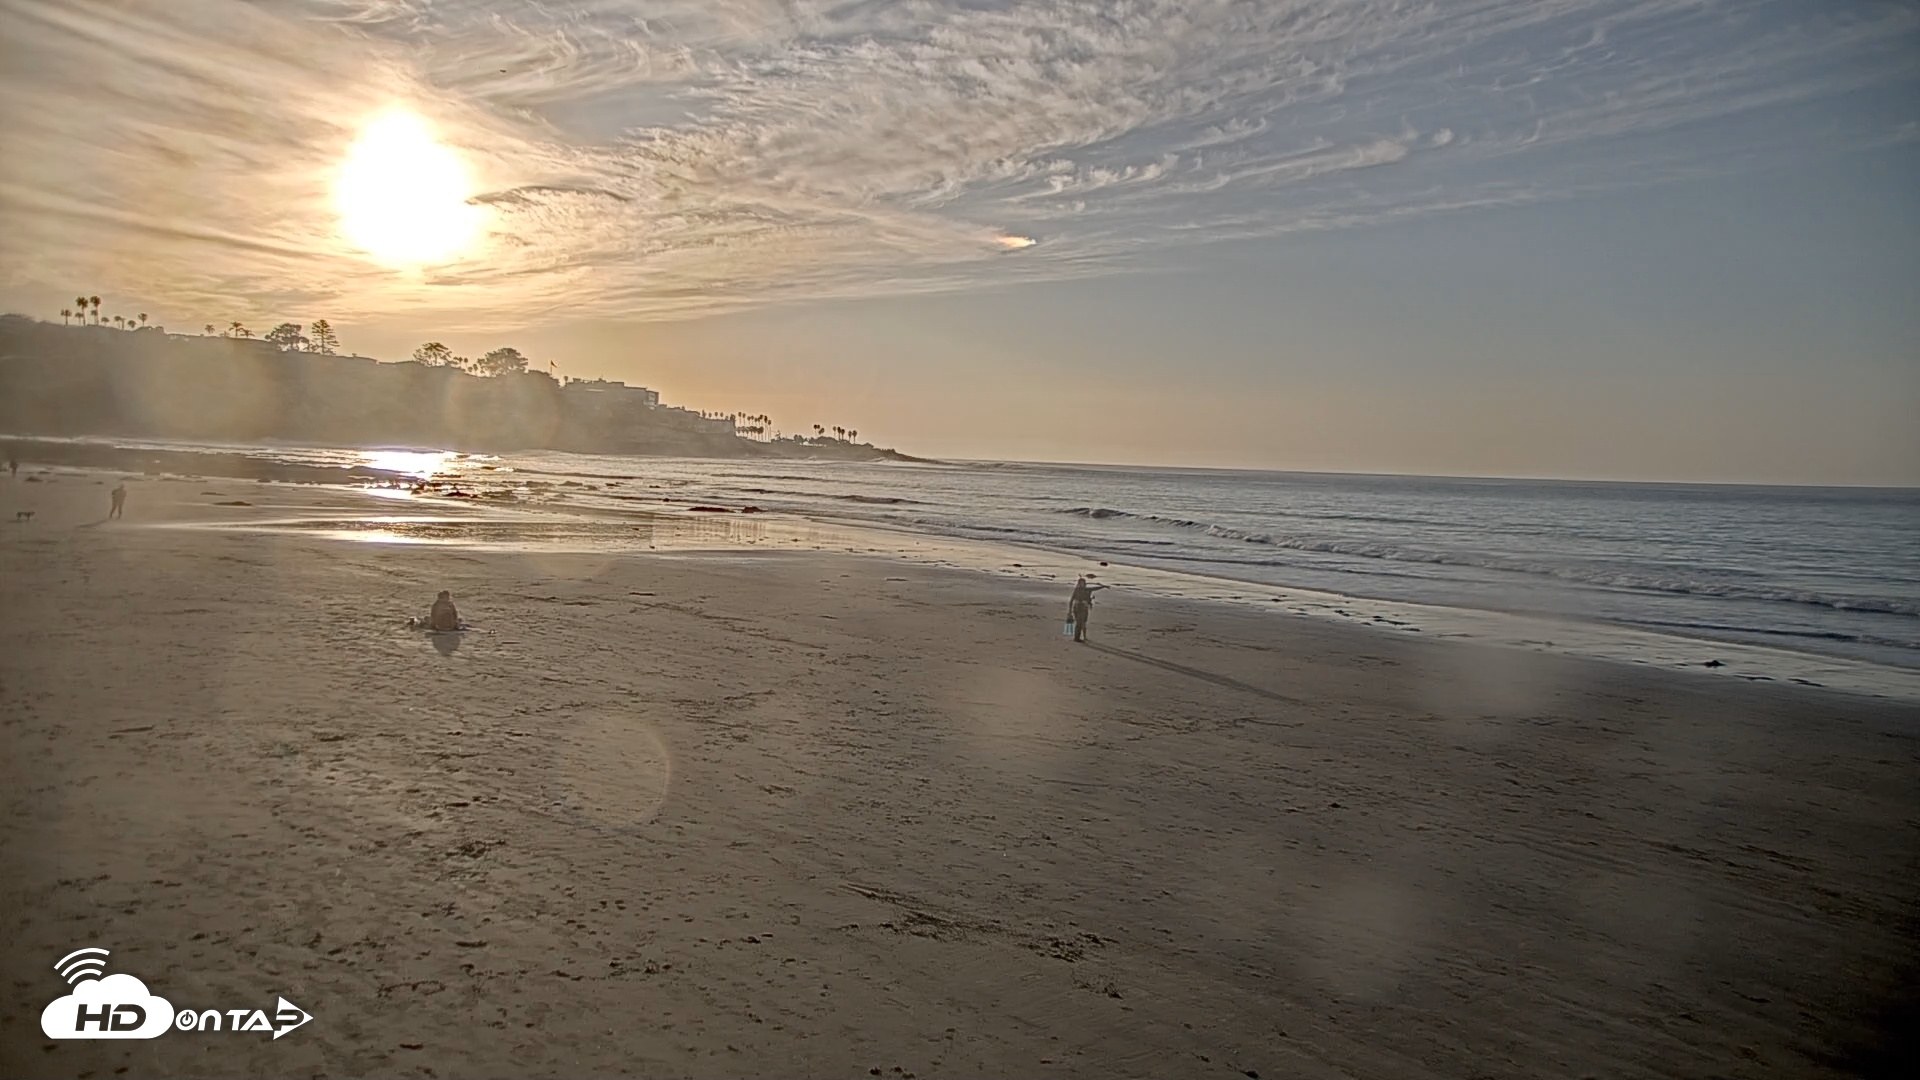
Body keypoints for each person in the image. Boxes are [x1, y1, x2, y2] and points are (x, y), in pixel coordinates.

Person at [1066, 575, 1108, 643]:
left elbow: (1095, 588)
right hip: (1077, 608)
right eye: (1081, 583)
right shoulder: (1077, 590)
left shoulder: (1087, 589)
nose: (1082, 584)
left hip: (1084, 608)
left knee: (1082, 622)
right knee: (1078, 623)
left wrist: (1103, 586)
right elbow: (1071, 600)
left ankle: (1079, 637)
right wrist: (1070, 610)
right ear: (1079, 583)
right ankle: (1076, 638)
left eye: (1083, 583)